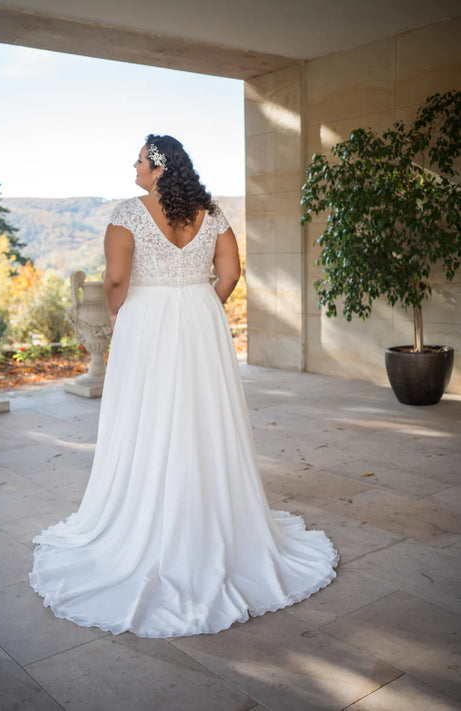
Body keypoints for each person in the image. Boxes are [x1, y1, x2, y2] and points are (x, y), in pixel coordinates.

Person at [29, 134, 338, 638]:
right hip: (201, 318)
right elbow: (231, 273)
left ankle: (147, 518)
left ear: (157, 167)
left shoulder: (128, 213)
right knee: (204, 414)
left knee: (146, 414)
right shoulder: (211, 214)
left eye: (138, 159)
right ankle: (213, 510)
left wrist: (118, 315)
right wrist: (201, 303)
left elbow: (114, 279)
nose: (132, 164)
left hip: (145, 320)